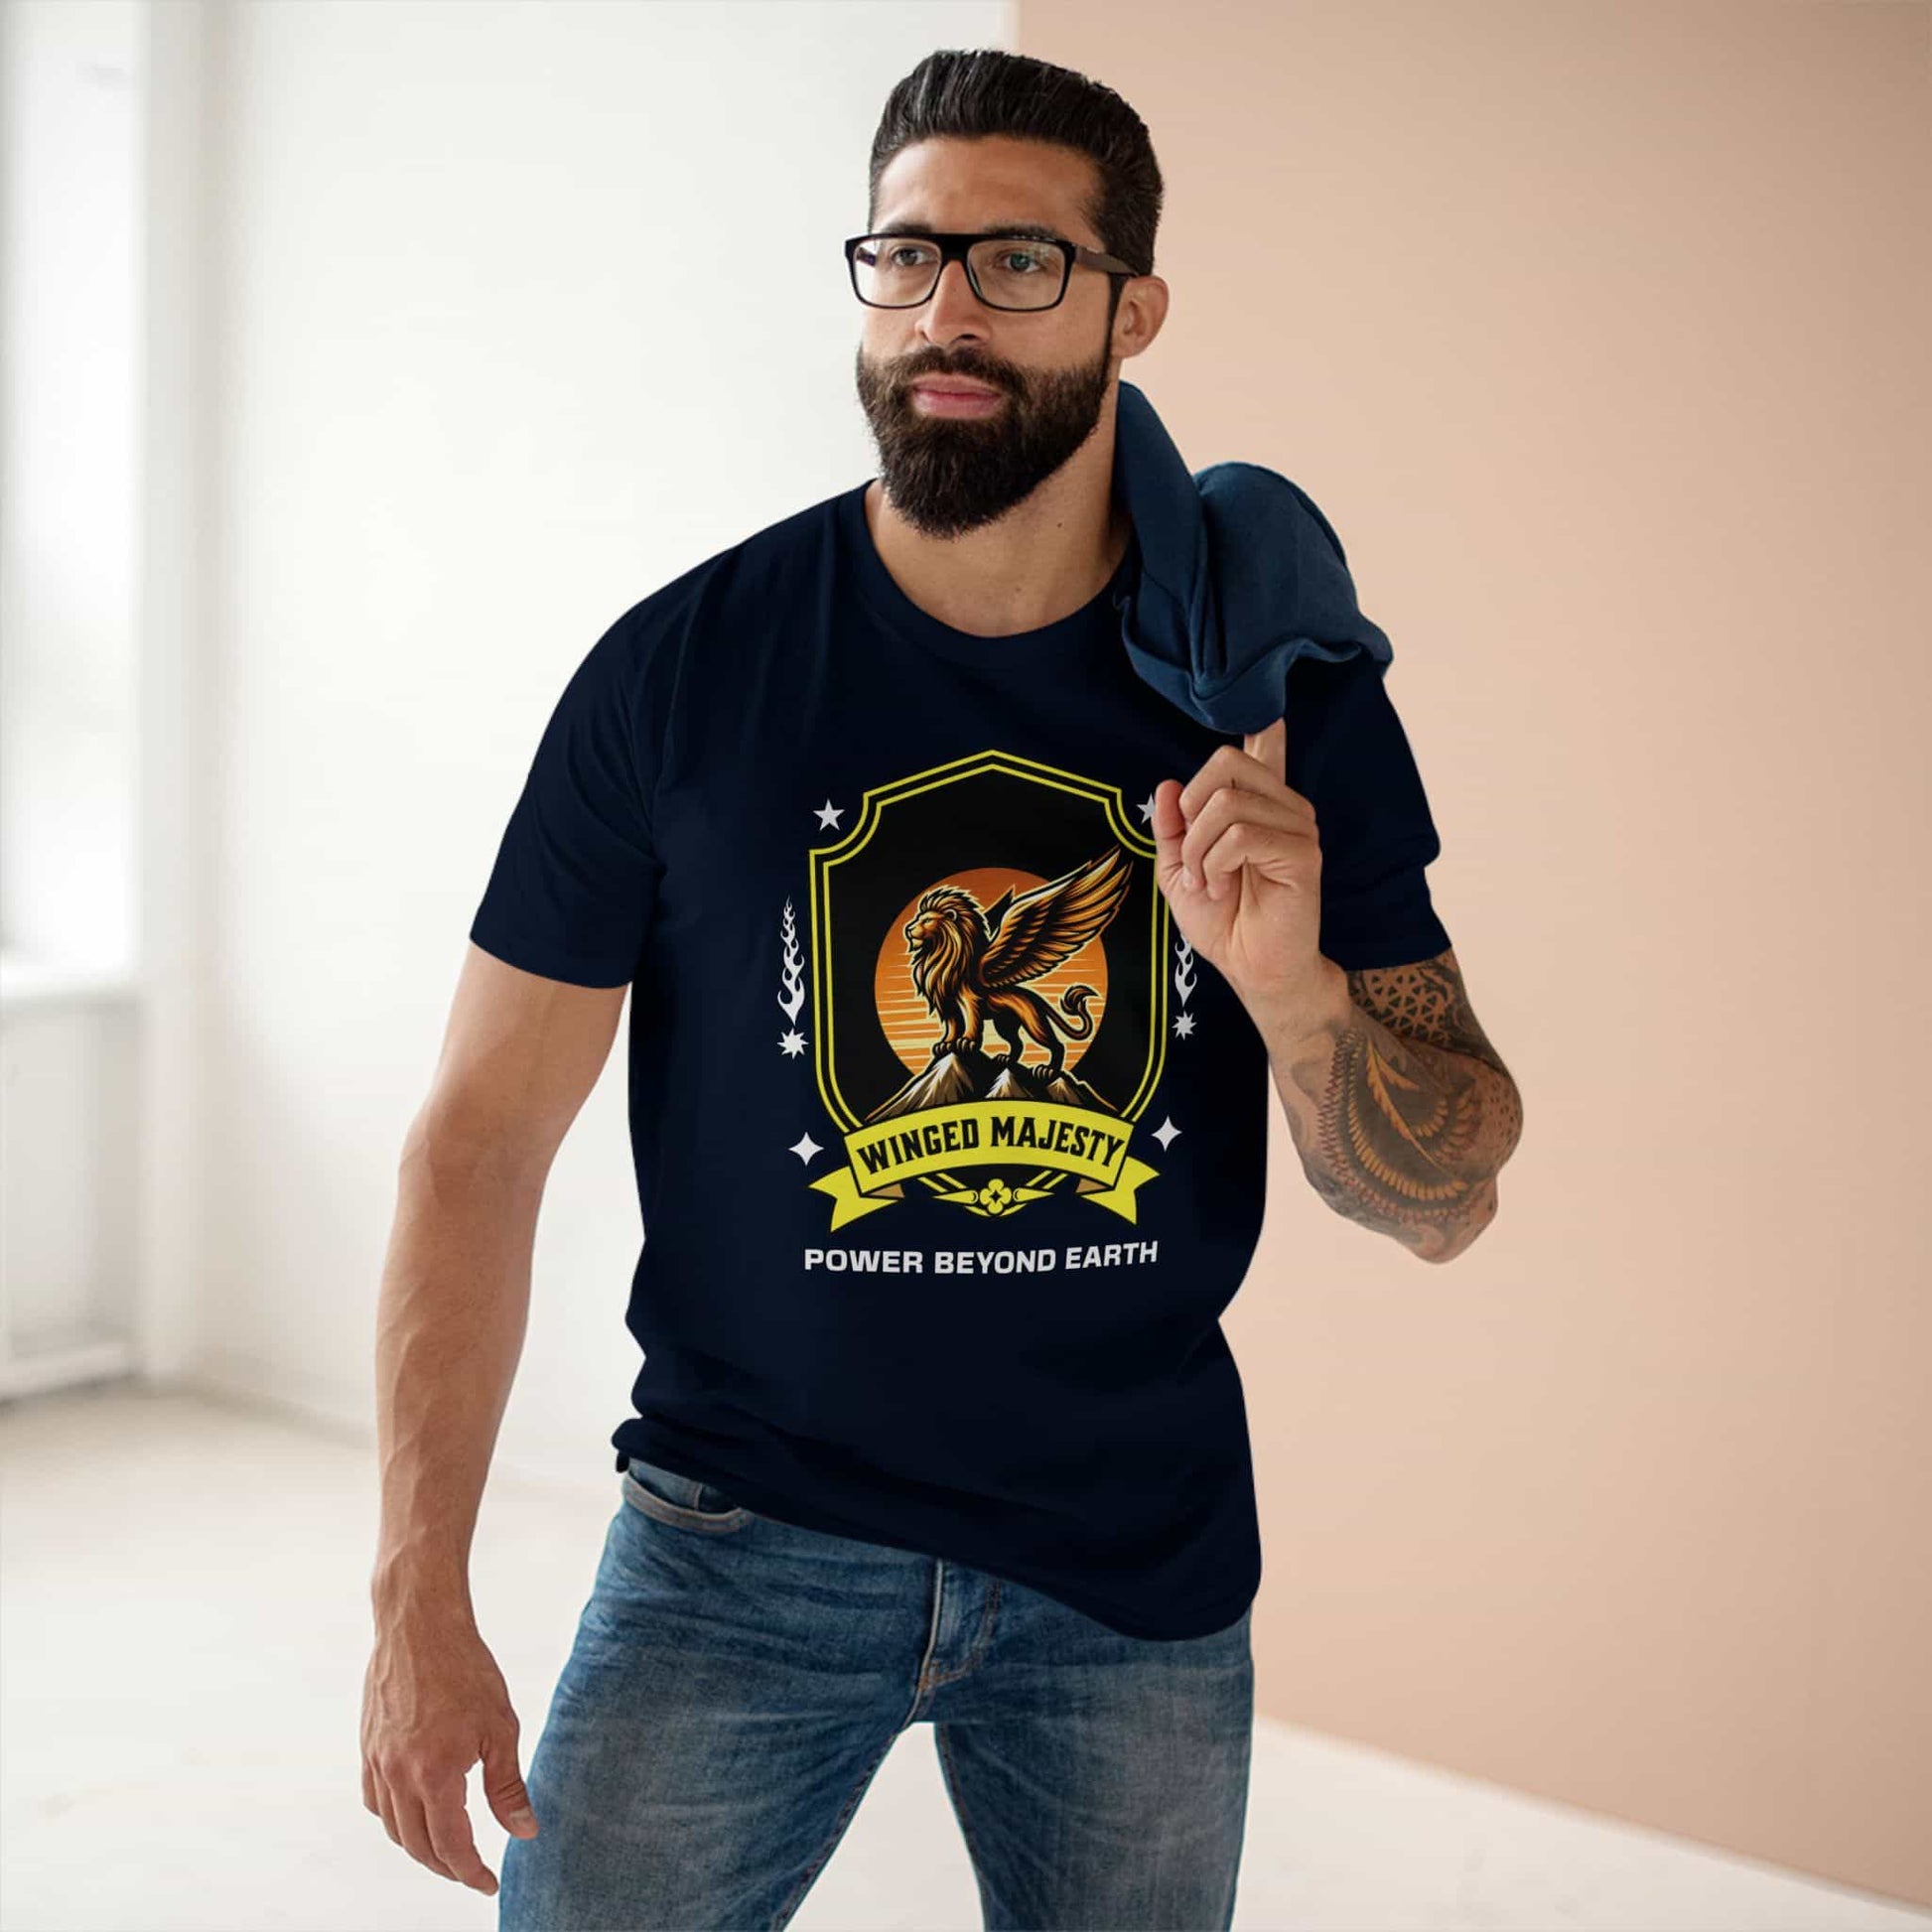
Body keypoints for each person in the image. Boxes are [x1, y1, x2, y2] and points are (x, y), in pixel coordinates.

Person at [360, 46, 1523, 1932]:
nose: (944, 313)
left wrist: (1290, 988)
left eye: (1017, 264)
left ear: (1132, 309)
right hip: (737, 1542)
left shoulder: (1270, 693)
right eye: (902, 260)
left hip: (1125, 1569)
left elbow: (1448, 1191)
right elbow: (478, 1143)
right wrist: (417, 1603)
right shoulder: (685, 674)